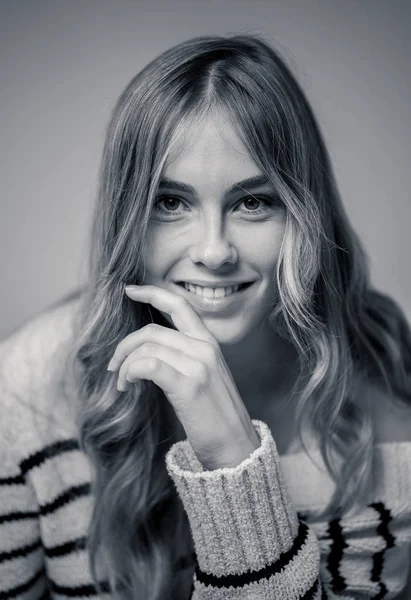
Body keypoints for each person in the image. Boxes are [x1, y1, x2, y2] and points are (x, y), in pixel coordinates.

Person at [0, 33, 410, 600]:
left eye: (253, 202)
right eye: (171, 202)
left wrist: (234, 463)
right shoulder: (22, 396)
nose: (215, 251)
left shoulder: (382, 429)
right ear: (128, 220)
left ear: (303, 215)